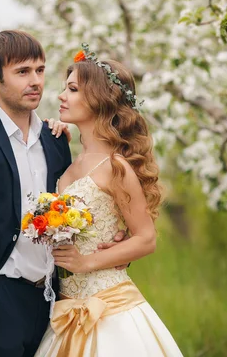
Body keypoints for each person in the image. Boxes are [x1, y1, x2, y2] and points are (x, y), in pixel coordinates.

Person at [0, 30, 125, 357]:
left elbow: (75, 208)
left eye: (40, 70)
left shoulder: (56, 139)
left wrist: (114, 239)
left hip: (52, 306)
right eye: (22, 72)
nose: (35, 81)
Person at [34, 45, 183, 356]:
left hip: (111, 309)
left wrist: (86, 262)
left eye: (72, 89)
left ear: (99, 99)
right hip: (67, 311)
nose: (62, 96)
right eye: (65, 88)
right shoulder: (70, 166)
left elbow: (146, 239)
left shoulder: (116, 167)